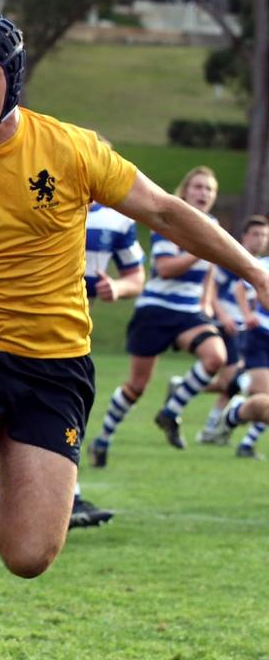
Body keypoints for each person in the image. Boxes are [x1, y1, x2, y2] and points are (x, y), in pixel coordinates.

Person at [0, 12, 269, 660]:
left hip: (56, 366)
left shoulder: (72, 150)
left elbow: (165, 210)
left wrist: (252, 269)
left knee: (30, 555)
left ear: (13, 82)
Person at [90, 166, 225, 466]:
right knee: (137, 386)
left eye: (209, 189)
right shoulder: (170, 220)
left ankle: (170, 412)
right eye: (198, 187)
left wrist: (206, 302)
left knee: (216, 357)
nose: (203, 193)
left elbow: (211, 271)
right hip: (155, 310)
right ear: (186, 190)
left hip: (190, 312)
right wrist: (203, 249)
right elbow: (165, 267)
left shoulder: (212, 225)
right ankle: (103, 439)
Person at [69, 200, 147, 529]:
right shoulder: (39, 195)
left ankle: (69, 496)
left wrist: (117, 286)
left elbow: (136, 276)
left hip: (69, 330)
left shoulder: (117, 220)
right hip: (8, 319)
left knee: (68, 406)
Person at [194, 216, 268, 444]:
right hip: (250, 332)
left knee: (232, 383)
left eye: (263, 235)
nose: (260, 239)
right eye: (255, 234)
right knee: (254, 391)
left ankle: (234, 431)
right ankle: (230, 420)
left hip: (244, 329)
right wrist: (240, 315)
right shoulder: (255, 263)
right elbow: (236, 286)